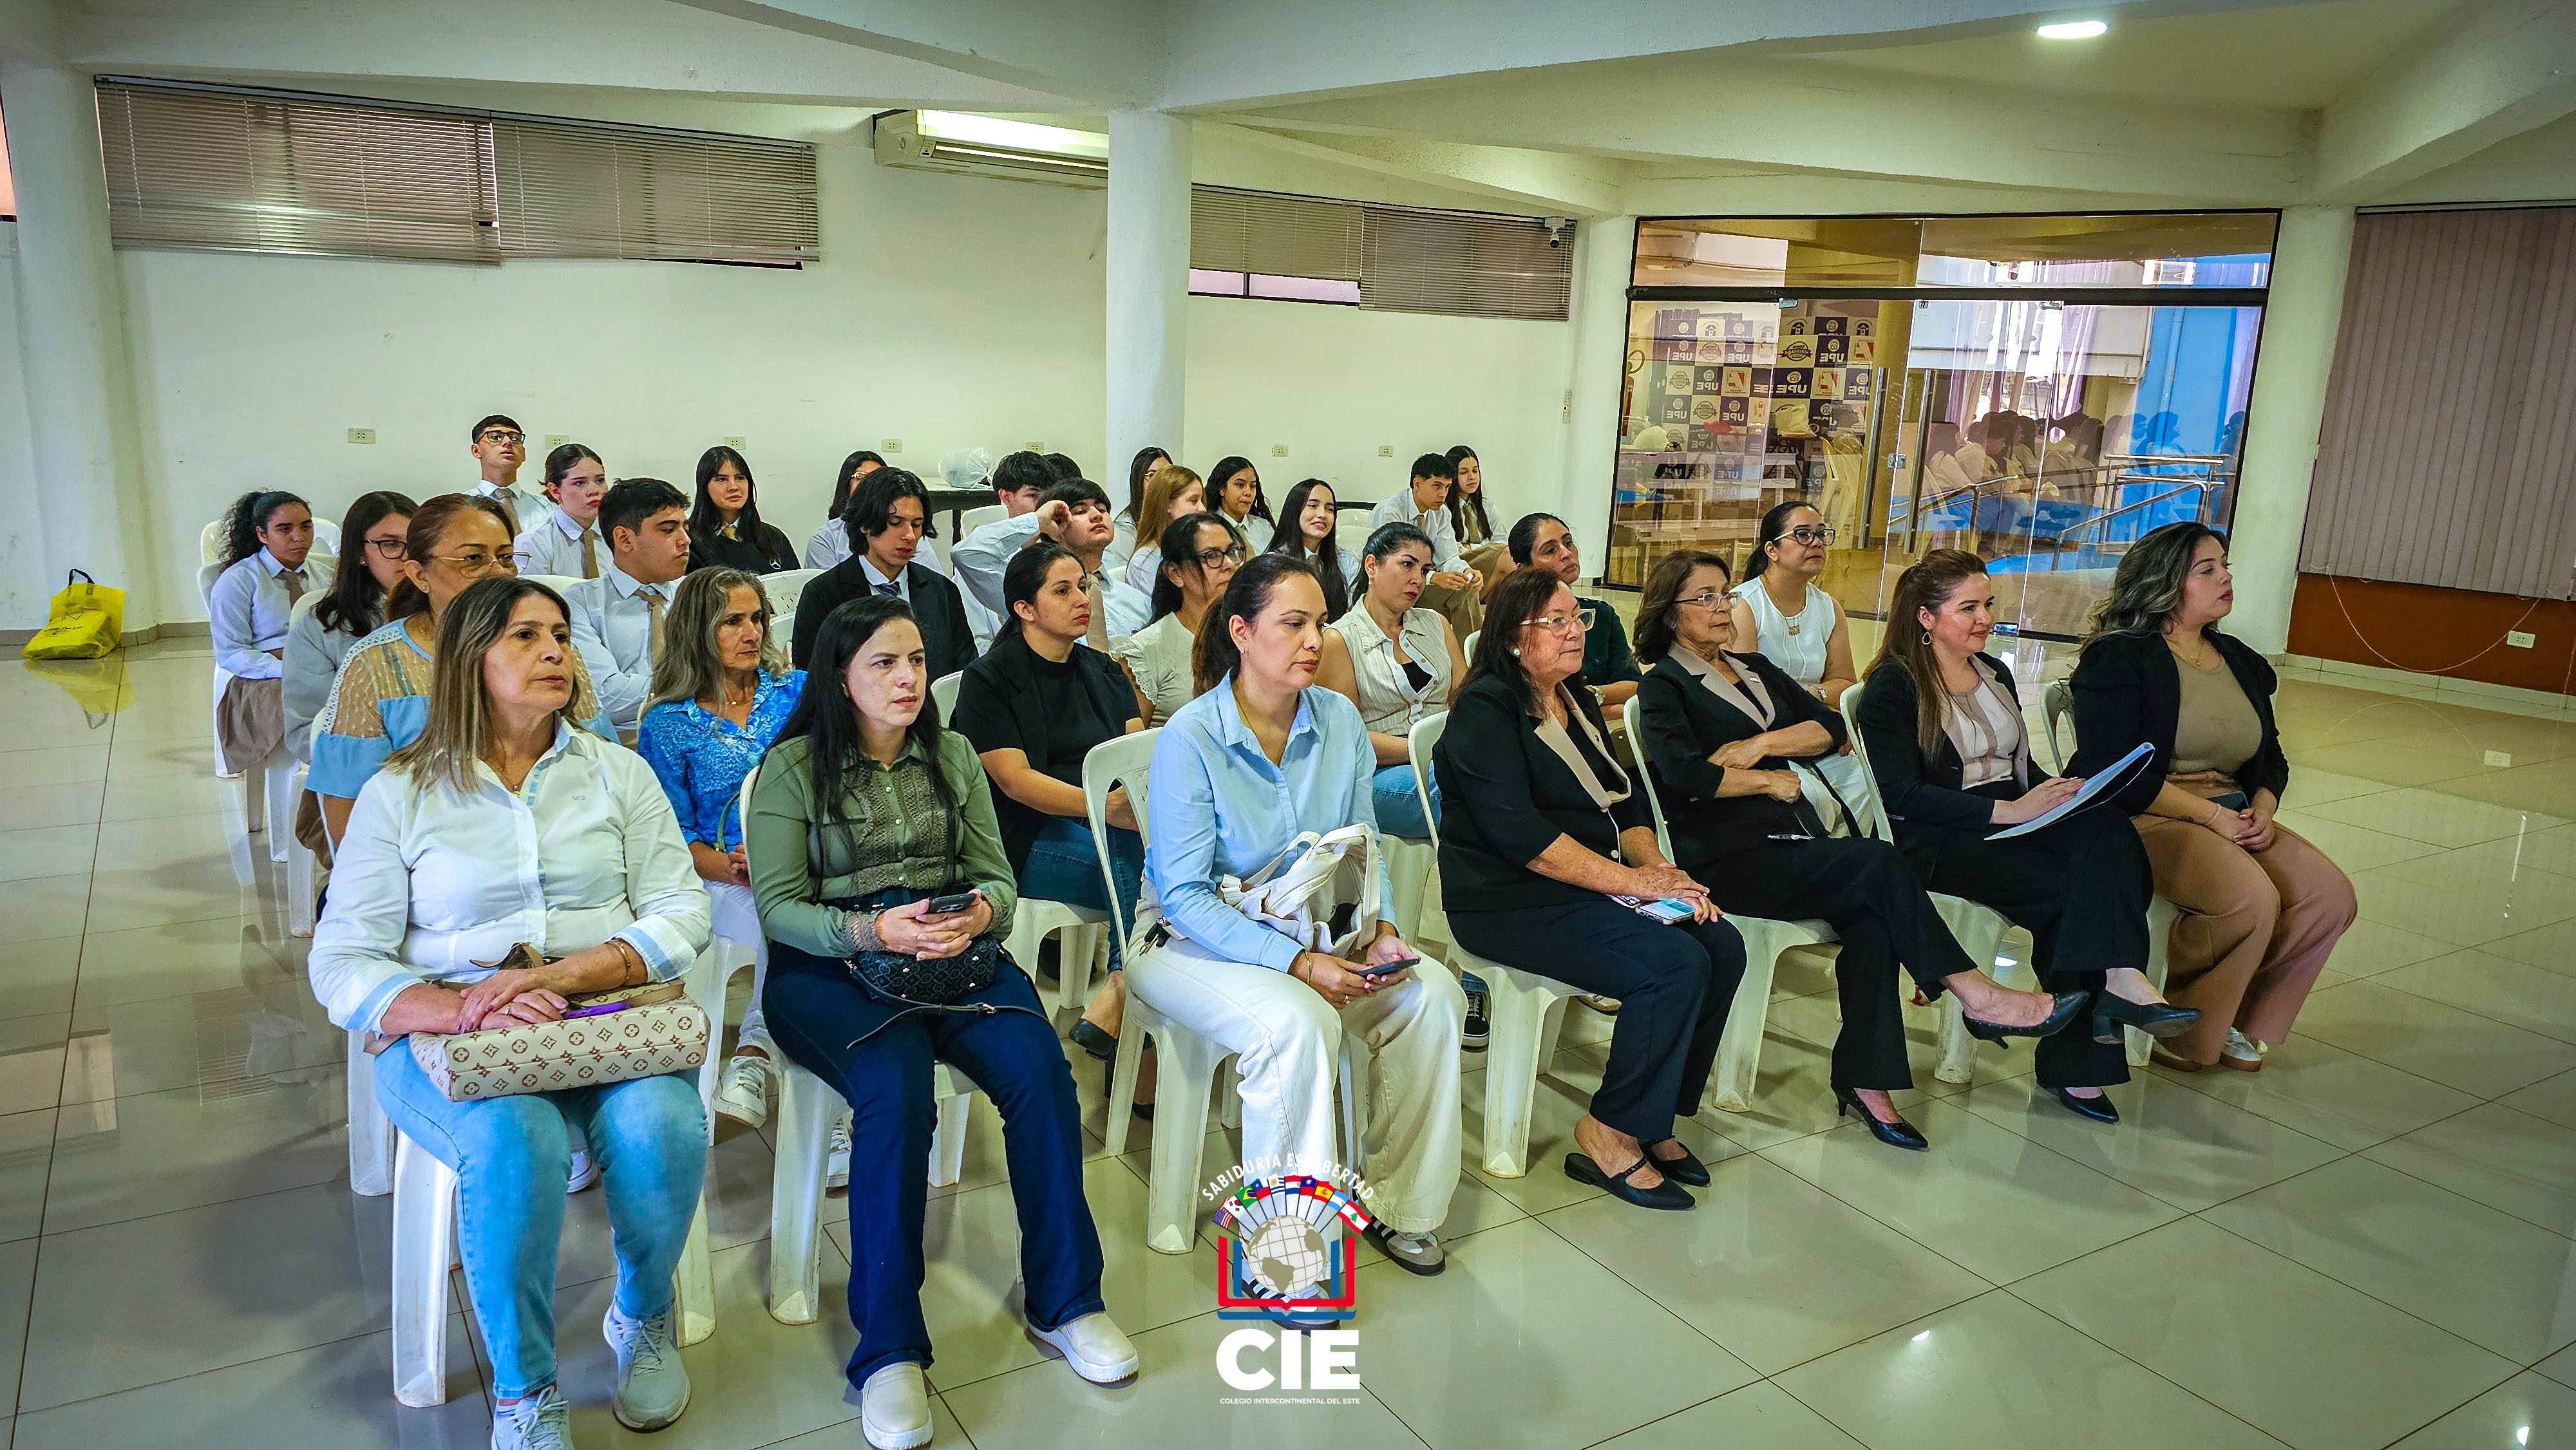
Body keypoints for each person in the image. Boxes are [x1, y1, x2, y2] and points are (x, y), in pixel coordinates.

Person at [310, 575, 711, 1450]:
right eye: (526, 637)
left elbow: (683, 912)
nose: (555, 651)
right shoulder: (403, 792)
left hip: (605, 1018)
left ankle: (641, 1316)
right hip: (457, 1041)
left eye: (560, 634)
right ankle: (526, 1389)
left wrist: (568, 976)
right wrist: (461, 1010)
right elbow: (341, 962)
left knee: (665, 1125)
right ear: (470, 660)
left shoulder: (618, 773)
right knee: (513, 1142)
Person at [750, 596, 1135, 1447]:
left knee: (1040, 1073)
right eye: (884, 663)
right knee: (895, 1094)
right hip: (830, 966)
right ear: (841, 678)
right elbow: (777, 908)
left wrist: (976, 917)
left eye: (918, 661)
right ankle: (888, 1349)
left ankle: (1065, 1299)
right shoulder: (793, 769)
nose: (907, 678)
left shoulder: (952, 754)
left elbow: (998, 881)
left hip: (950, 953)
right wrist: (869, 928)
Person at [1633, 550, 2085, 1149]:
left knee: (1875, 916)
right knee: (1878, 862)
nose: (1724, 608)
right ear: (1671, 615)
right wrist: (1770, 778)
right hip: (1731, 856)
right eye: (1707, 598)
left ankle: (1867, 1083)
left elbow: (1832, 728)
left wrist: (1757, 747)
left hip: (1796, 839)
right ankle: (1977, 992)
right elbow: (1686, 776)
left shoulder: (1753, 667)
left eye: (1725, 595)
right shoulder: (1665, 685)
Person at [1132, 554, 1463, 1294]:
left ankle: (1402, 1205)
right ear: (1242, 632)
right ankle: (1286, 1258)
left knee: (1432, 996)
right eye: (1294, 623)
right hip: (1189, 940)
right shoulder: (1193, 735)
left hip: (1311, 928)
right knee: (1295, 1026)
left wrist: (1375, 928)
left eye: (1319, 622)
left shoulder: (1337, 718)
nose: (1315, 639)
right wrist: (1296, 965)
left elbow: (1360, 841)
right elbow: (1183, 896)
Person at [1435, 567, 1742, 1210]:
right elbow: (1530, 845)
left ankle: (1650, 1117)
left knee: (1720, 942)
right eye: (1557, 620)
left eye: (1578, 617)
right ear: (1513, 638)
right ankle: (1606, 1129)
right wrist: (1634, 882)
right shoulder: (1485, 710)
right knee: (1671, 964)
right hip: (1508, 897)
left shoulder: (1570, 696)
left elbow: (1624, 802)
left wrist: (1663, 872)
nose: (1576, 631)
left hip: (1586, 883)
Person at [1854, 549, 2197, 1124]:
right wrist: (2010, 813)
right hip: (1943, 835)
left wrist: (2057, 792)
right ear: (1925, 617)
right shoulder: (1896, 686)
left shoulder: (1996, 671)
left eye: (1988, 604)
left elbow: (2019, 767)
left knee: (2108, 828)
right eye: (1969, 608)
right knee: (2070, 891)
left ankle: (2115, 981)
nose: (1985, 617)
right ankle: (2092, 1041)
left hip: (2011, 813)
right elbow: (1900, 796)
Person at [2071, 523, 2354, 1073]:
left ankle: (2238, 1019)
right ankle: (2184, 1026)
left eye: (2224, 565)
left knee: (2329, 897)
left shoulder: (2238, 659)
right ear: (2166, 584)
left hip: (2230, 810)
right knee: (2251, 900)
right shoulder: (2120, 659)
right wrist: (2210, 818)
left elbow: (2268, 755)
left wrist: (2265, 806)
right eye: (2207, 570)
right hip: (2143, 812)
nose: (2225, 578)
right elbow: (2113, 773)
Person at [313, 493, 615, 846]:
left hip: (557, 838)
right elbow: (349, 813)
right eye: (473, 559)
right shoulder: (377, 663)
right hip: (430, 856)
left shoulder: (554, 649)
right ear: (419, 574)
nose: (498, 572)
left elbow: (599, 759)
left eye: (505, 557)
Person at [954, 541, 1149, 1067]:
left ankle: (1124, 987)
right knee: (1146, 864)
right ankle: (1134, 991)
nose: (1081, 598)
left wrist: (1124, 805)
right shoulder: (990, 679)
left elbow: (1133, 755)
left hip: (1109, 827)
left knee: (1161, 853)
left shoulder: (1103, 671)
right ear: (1025, 608)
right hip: (1022, 838)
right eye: (1062, 590)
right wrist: (1103, 809)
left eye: (1083, 586)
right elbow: (1015, 782)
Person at [635, 568, 808, 1135]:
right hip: (723, 873)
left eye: (756, 618)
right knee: (781, 920)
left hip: (811, 858)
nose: (752, 631)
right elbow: (671, 836)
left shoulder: (797, 691)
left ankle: (763, 1054)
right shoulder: (670, 722)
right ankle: (808, 1093)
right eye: (733, 620)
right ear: (697, 631)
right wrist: (734, 867)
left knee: (821, 915)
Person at [1728, 500, 1876, 828]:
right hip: (1765, 736)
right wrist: (1817, 700)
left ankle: (1857, 865)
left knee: (1870, 784)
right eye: (1804, 535)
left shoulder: (1828, 607)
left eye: (1822, 535)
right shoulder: (1744, 605)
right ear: (1772, 550)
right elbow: (1751, 697)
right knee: (1813, 800)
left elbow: (1845, 686)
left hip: (1817, 730)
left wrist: (1812, 693)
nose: (1818, 543)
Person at [1316, 522, 1464, 842]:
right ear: (1372, 566)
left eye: (1425, 570)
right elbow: (1346, 740)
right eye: (1407, 564)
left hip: (1448, 754)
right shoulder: (1341, 639)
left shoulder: (1436, 624)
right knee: (1469, 789)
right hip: (1380, 771)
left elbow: (1466, 699)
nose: (1418, 579)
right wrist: (1432, 750)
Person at [791, 468, 973, 680]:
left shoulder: (942, 590)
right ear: (865, 524)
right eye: (895, 523)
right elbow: (811, 681)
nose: (910, 536)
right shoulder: (823, 594)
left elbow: (962, 675)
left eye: (917, 524)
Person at [209, 489, 332, 783]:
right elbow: (231, 652)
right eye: (284, 529)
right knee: (296, 697)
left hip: (321, 660)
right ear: (263, 535)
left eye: (306, 526)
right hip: (265, 670)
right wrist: (285, 669)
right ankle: (313, 768)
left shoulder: (327, 574)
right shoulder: (239, 580)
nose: (299, 537)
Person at [289, 491, 416, 767]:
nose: (407, 558)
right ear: (360, 552)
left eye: (416, 544)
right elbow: (305, 729)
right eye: (391, 545)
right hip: (363, 767)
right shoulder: (321, 626)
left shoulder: (448, 612)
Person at [564, 478, 695, 740]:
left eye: (685, 527)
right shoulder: (580, 604)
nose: (686, 540)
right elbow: (604, 698)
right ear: (624, 539)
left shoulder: (695, 595)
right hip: (622, 744)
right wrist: (699, 683)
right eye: (668, 530)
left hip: (703, 733)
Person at [967, 478, 1154, 647]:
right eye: (1080, 511)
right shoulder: (1033, 590)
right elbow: (968, 555)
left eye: (1102, 509)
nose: (1097, 515)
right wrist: (1037, 522)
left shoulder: (1138, 602)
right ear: (1055, 525)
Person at [1508, 513, 1642, 726]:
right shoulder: (1520, 625)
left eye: (1568, 543)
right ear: (1525, 570)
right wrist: (1601, 705)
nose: (1566, 553)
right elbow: (1533, 703)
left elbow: (1636, 687)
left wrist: (1592, 696)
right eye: (1551, 550)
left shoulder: (1601, 615)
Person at [1113, 513, 1241, 726]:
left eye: (1232, 552)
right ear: (1175, 574)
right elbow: (1131, 751)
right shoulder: (1146, 652)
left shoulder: (1251, 631)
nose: (1229, 564)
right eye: (1212, 556)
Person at [1367, 453, 1483, 639]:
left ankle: (1472, 659)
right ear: (1417, 484)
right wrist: (1435, 578)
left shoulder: (1442, 513)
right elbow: (1391, 566)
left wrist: (1467, 573)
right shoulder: (1392, 510)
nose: (1443, 494)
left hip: (1421, 583)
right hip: (1389, 587)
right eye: (1437, 486)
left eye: (1447, 487)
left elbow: (1449, 557)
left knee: (1466, 590)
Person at [949, 449, 1057, 619]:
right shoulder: (986, 555)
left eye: (1047, 497)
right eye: (1033, 495)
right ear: (1005, 497)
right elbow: (963, 554)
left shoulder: (1058, 547)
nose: (1042, 505)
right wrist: (1036, 521)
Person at [686, 445, 799, 575]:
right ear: (704, 486)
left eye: (740, 478)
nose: (733, 487)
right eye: (722, 479)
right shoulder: (690, 541)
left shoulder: (774, 538)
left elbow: (795, 586)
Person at [513, 444, 611, 579]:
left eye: (600, 480)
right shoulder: (533, 542)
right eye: (580, 483)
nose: (594, 490)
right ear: (555, 491)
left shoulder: (617, 532)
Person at [1265, 478, 1358, 619]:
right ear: (1294, 510)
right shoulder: (1273, 563)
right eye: (1313, 506)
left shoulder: (1346, 561)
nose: (1322, 515)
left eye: (1330, 509)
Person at [1122, 464, 1205, 597]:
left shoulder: (1195, 548)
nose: (1203, 509)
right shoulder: (1144, 561)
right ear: (1167, 504)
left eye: (1201, 501)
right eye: (1193, 501)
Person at [803, 450, 887, 570]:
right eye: (861, 478)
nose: (870, 486)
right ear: (847, 485)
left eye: (878, 479)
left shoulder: (907, 534)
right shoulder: (825, 538)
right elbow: (825, 588)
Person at [468, 413, 549, 533]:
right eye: (496, 437)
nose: (508, 442)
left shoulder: (546, 509)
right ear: (476, 451)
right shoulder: (457, 508)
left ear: (524, 454)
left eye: (515, 438)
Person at [1444, 444, 1507, 586]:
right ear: (1452, 476)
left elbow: (1501, 543)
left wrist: (1470, 547)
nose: (1472, 477)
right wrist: (1486, 547)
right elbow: (1450, 549)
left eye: (1475, 470)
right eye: (1464, 472)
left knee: (1508, 556)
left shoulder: (1487, 506)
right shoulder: (1443, 509)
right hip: (1461, 565)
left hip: (1489, 563)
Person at [1105, 445, 1170, 574]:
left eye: (1168, 475)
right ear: (1138, 480)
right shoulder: (1122, 533)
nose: (1163, 483)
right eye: (1154, 476)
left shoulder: (1170, 520)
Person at [1208, 455, 1272, 535]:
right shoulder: (1207, 527)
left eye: (1253, 486)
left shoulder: (1264, 527)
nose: (1248, 492)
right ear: (1222, 489)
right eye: (1240, 485)